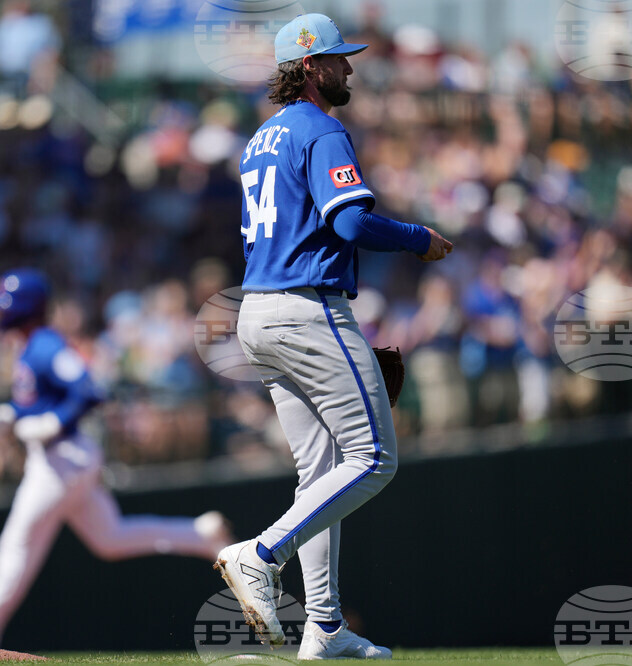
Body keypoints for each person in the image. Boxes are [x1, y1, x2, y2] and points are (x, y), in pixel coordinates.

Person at [212, 14, 452, 661]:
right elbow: (349, 223)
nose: (350, 67)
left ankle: (323, 627)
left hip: (257, 311)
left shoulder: (261, 137)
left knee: (321, 473)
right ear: (312, 66)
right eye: (340, 59)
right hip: (306, 306)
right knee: (375, 458)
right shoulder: (321, 128)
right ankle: (261, 554)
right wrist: (416, 239)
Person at [0, 269, 232, 647]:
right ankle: (200, 536)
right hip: (60, 459)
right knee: (110, 538)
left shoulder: (45, 344)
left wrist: (54, 420)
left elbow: (90, 390)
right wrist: (11, 415)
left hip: (62, 460)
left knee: (17, 540)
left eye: (5, 305)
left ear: (25, 308)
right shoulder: (32, 345)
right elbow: (43, 400)